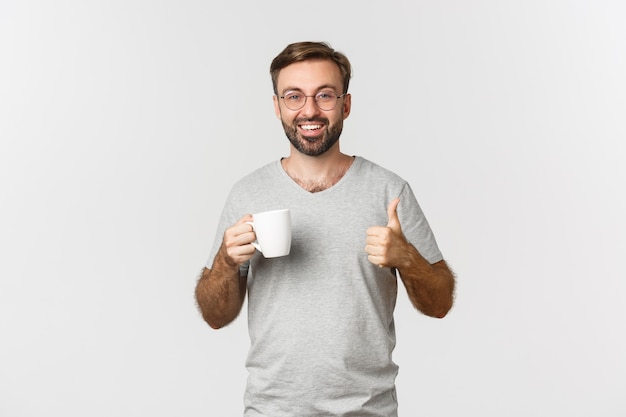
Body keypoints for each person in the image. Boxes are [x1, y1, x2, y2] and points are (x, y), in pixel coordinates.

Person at [195, 41, 455, 417]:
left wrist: (407, 258)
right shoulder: (247, 193)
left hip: (368, 410)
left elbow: (440, 303)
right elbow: (215, 317)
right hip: (272, 410)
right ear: (277, 107)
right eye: (294, 96)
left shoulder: (389, 191)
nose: (310, 110)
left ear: (345, 105)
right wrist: (224, 261)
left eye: (325, 96)